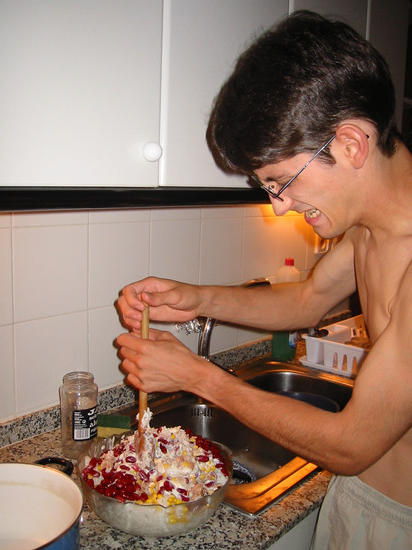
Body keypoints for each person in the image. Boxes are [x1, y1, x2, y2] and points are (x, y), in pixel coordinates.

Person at [116, 10, 412, 549]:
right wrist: (197, 299)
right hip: (355, 496)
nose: (279, 209)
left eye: (281, 181)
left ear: (350, 144)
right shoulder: (371, 229)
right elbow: (307, 300)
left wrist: (201, 376)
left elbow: (352, 444)